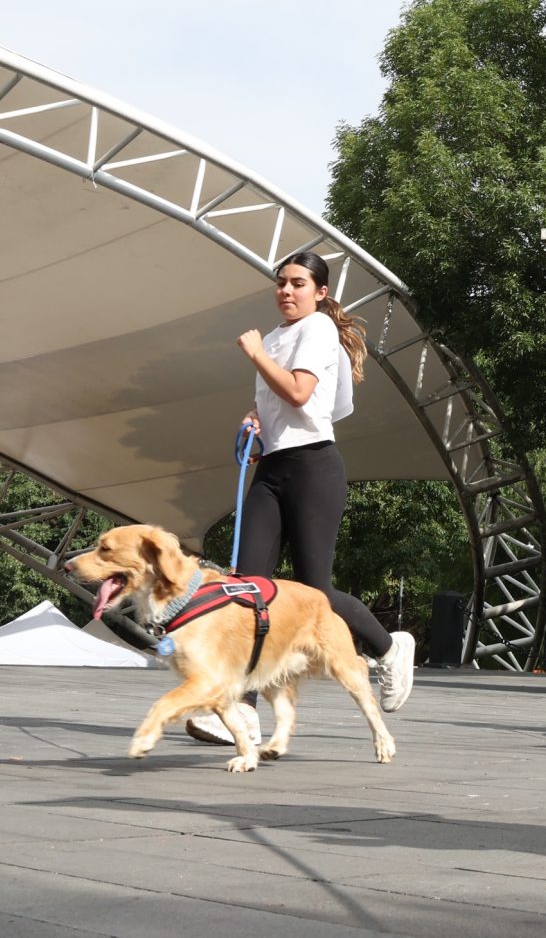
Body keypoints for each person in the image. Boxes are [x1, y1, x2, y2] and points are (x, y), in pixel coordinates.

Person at [192, 251, 414, 746]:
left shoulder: (316, 331)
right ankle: (241, 709)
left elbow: (298, 393)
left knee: (315, 595)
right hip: (272, 468)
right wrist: (253, 419)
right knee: (249, 589)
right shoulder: (274, 339)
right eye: (281, 283)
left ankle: (388, 647)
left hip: (314, 467)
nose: (286, 291)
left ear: (321, 292)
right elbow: (278, 401)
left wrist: (256, 357)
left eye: (297, 283)